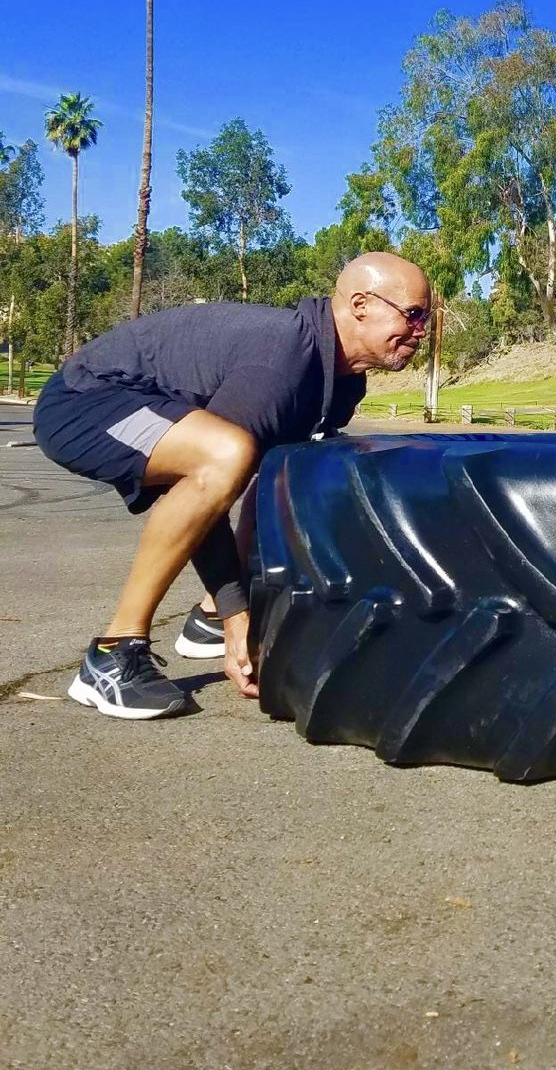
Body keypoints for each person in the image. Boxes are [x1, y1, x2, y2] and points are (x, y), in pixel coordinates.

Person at [32, 252, 430, 721]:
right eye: (413, 314)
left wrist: (236, 606)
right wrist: (237, 612)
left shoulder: (342, 384)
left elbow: (267, 482)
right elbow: (207, 477)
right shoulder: (283, 355)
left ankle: (206, 623)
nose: (421, 330)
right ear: (360, 304)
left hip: (155, 410)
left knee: (294, 465)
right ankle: (114, 654)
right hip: (85, 403)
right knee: (225, 455)